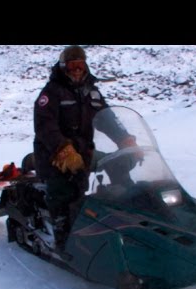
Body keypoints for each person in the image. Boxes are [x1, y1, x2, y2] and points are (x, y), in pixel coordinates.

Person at [33, 45, 140, 251]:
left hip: (84, 152)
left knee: (118, 166)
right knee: (65, 194)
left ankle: (126, 222)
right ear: (64, 66)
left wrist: (125, 139)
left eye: (80, 64)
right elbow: (45, 125)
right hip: (54, 155)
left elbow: (108, 119)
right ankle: (63, 239)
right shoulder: (52, 93)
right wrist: (62, 148)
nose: (77, 68)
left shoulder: (92, 92)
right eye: (72, 64)